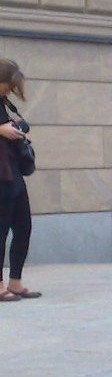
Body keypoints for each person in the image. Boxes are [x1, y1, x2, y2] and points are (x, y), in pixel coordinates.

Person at [0, 59, 40, 302]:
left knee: (24, 225)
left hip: (12, 168)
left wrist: (15, 126)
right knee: (0, 229)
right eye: (7, 85)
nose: (9, 90)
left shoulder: (3, 102)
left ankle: (15, 282)